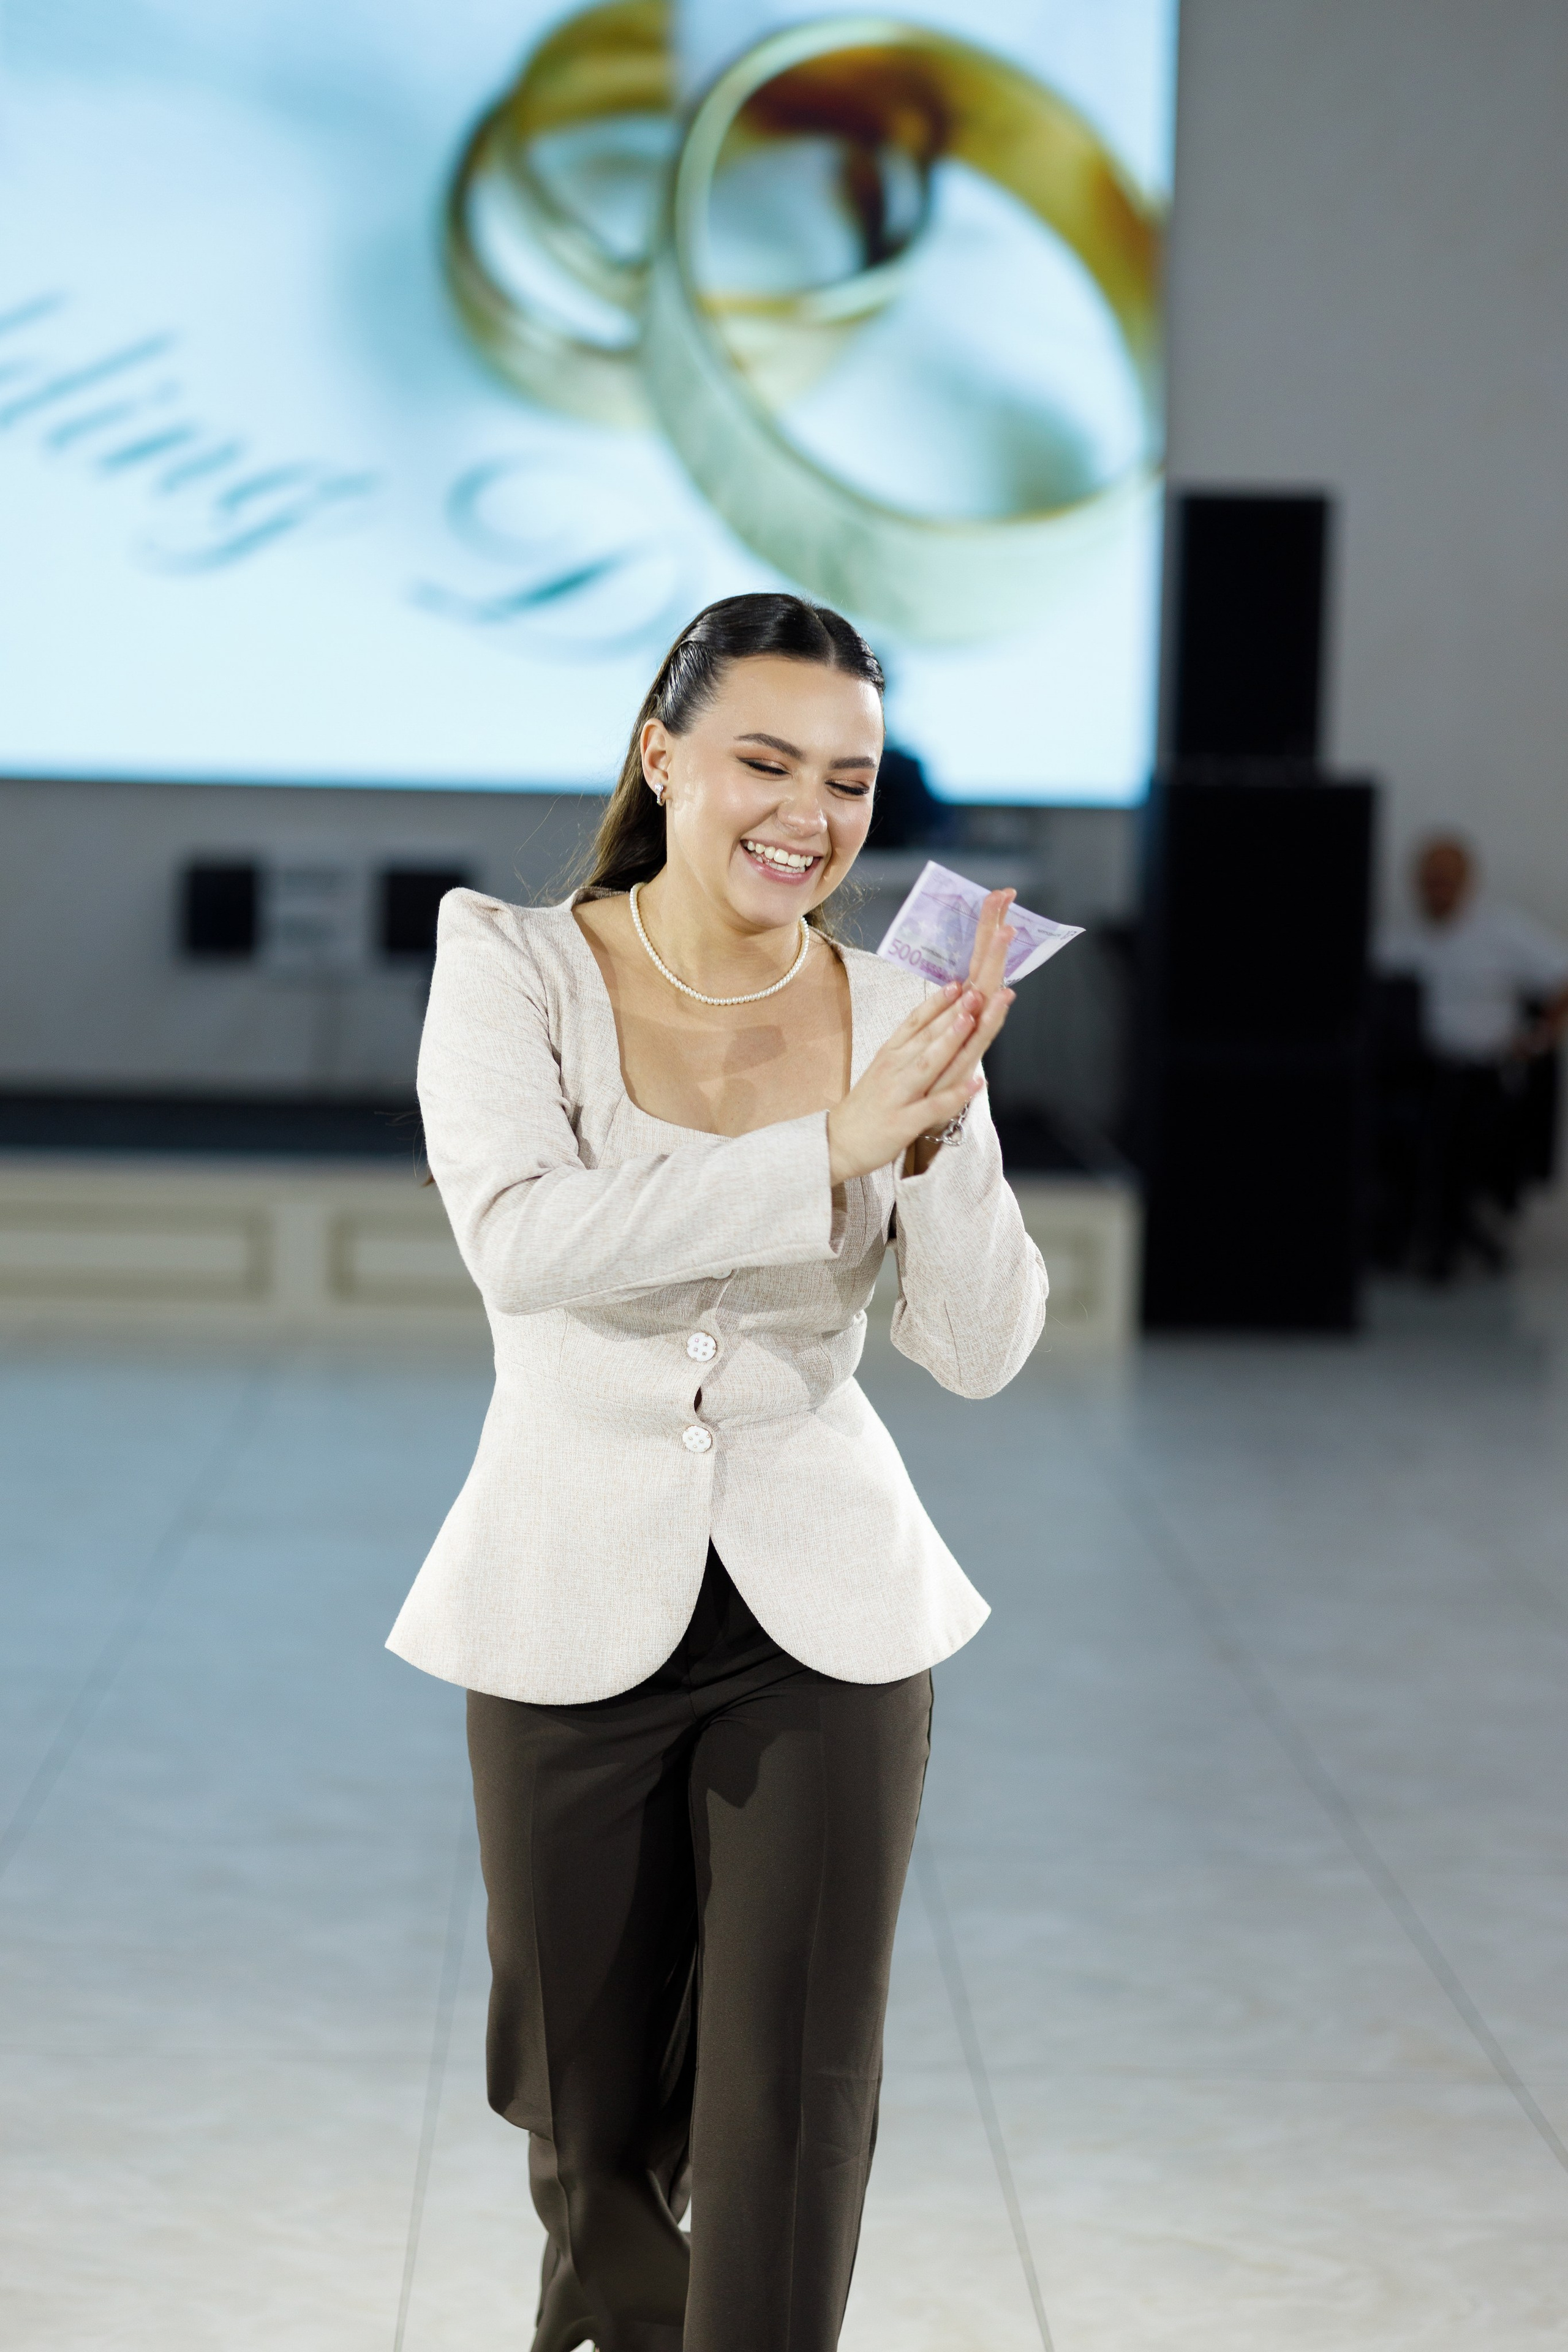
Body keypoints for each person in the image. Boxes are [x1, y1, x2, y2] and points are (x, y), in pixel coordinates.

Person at [386, 591, 1047, 2352]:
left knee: (792, 2116)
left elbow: (978, 1352)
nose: (807, 813)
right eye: (765, 759)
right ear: (663, 757)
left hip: (828, 1619)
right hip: (562, 1592)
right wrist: (825, 1141)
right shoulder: (512, 961)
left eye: (848, 777)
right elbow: (525, 1243)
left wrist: (950, 1117)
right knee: (585, 2118)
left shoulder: (891, 1004)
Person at [1378, 833, 1568, 1274]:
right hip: (1420, 1072)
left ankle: (1440, 1234)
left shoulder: (1502, 932)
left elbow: (1562, 976)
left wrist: (1539, 1037)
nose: (1436, 891)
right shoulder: (1399, 942)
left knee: (1455, 1103)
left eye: (1445, 881)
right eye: (1428, 881)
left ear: (1466, 882)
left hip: (1487, 1075)